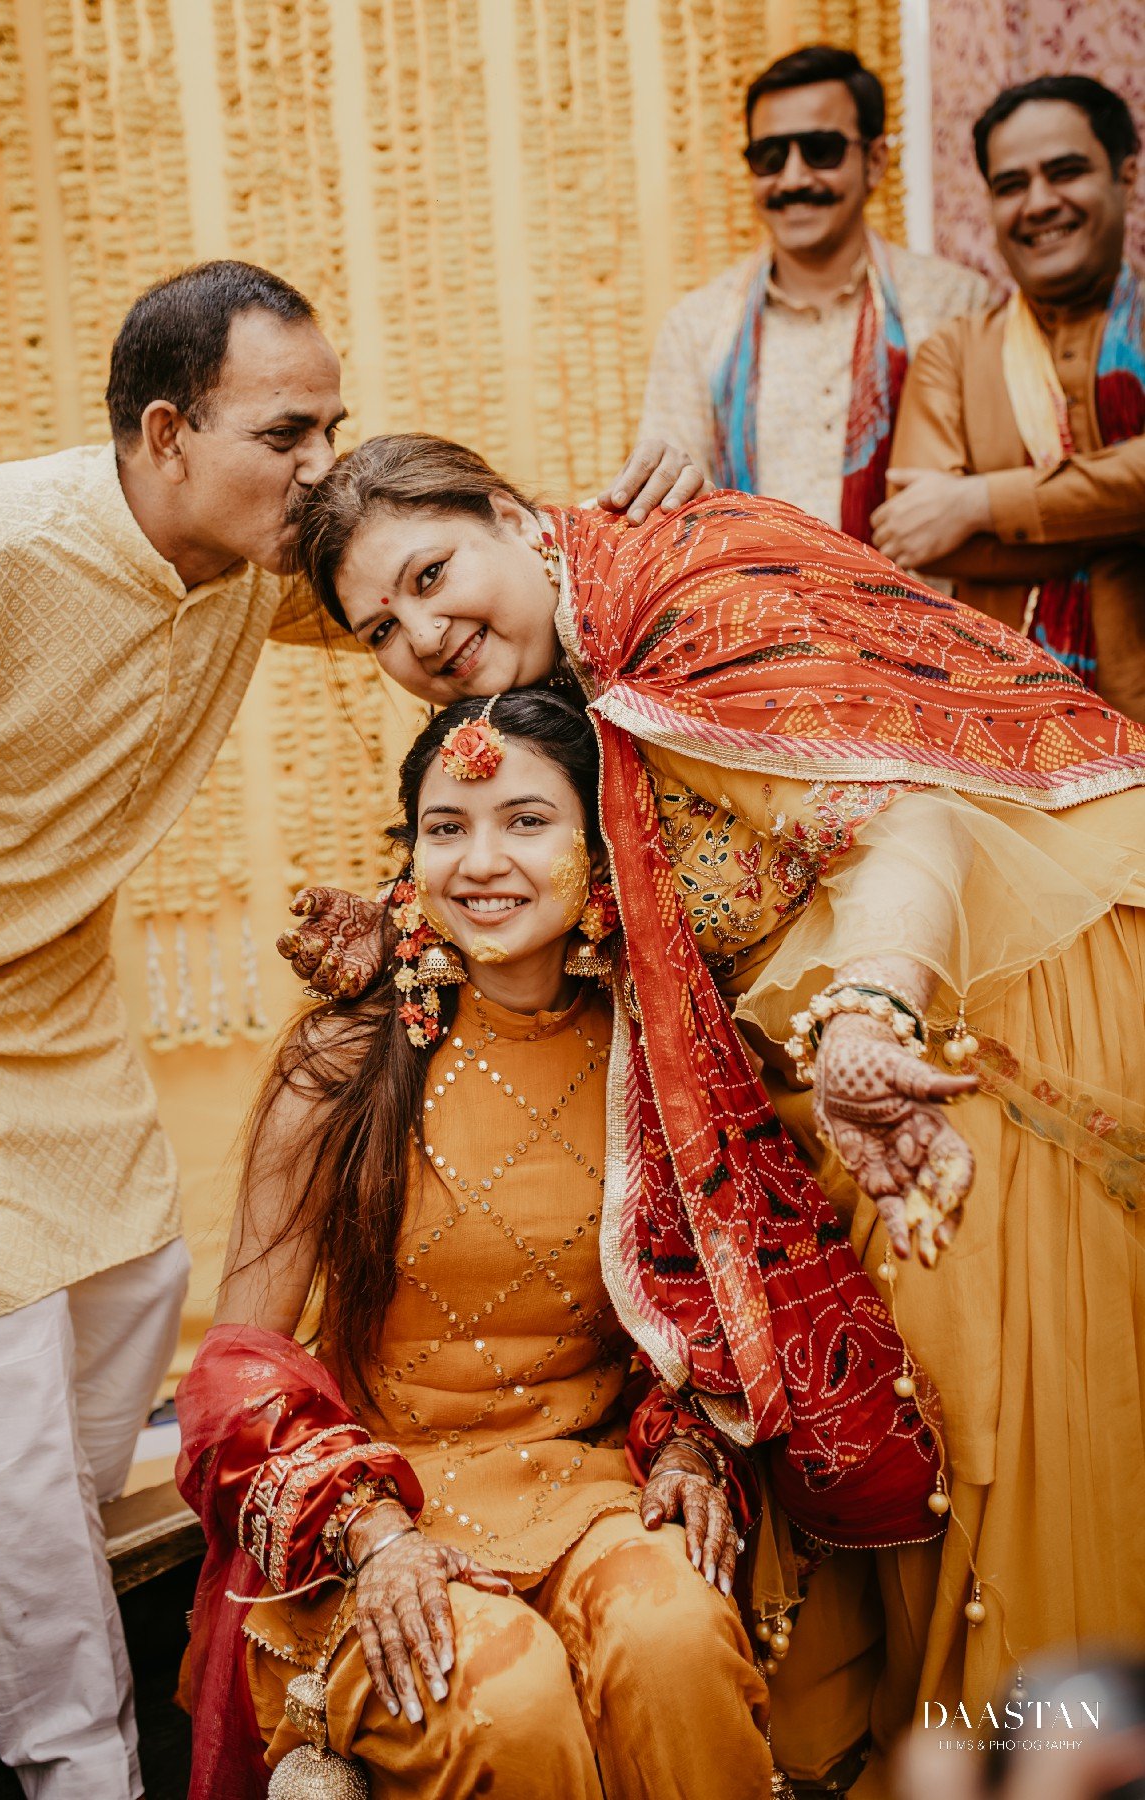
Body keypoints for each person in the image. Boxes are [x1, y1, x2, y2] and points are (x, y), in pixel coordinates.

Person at [0, 246, 700, 1788]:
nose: (322, 467)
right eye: (287, 434)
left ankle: (74, 1675)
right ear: (168, 435)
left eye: (330, 427)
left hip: (65, 1026)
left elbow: (435, 587)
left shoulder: (249, 566)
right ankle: (80, 1773)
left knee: (113, 1383)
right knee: (19, 1465)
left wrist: (614, 539)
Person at [284, 433, 1145, 1792]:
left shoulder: (682, 618)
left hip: (970, 1041)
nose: (423, 637)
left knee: (991, 1455)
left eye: (432, 575)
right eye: (379, 628)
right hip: (865, 1069)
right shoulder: (590, 659)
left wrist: (866, 1014)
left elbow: (906, 827)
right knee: (899, 1452)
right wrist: (406, 925)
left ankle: (1027, 1764)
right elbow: (611, 880)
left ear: (511, 513)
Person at [178, 687, 942, 1800]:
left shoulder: (662, 1060)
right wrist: (371, 1531)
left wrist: (687, 1449)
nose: (482, 861)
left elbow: (709, 1315)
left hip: (589, 1488)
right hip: (377, 1505)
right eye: (446, 828)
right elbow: (235, 1370)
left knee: (677, 1648)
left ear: (602, 846)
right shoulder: (338, 1068)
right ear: (411, 859)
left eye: (527, 821)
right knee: (511, 1704)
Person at [874, 75, 1145, 722]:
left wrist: (979, 503)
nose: (1040, 202)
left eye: (1066, 171)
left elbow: (954, 524)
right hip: (1014, 730)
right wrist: (1125, 514)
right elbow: (924, 538)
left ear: (1126, 175)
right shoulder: (954, 356)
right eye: (1011, 185)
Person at [637, 45, 988, 540]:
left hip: (922, 589)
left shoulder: (957, 304)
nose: (794, 178)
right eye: (770, 157)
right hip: (750, 589)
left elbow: (995, 491)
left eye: (821, 150)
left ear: (875, 161)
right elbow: (670, 512)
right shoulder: (697, 329)